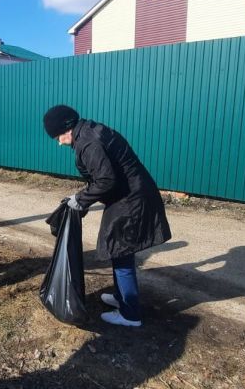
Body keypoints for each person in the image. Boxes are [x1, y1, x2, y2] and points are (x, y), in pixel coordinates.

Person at [43, 105, 171, 327]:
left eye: (57, 136)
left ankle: (130, 315)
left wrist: (81, 200)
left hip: (130, 199)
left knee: (120, 250)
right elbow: (104, 176)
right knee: (119, 249)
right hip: (128, 194)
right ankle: (122, 298)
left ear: (67, 129)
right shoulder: (89, 132)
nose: (58, 142)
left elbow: (106, 180)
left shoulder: (88, 142)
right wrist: (81, 198)